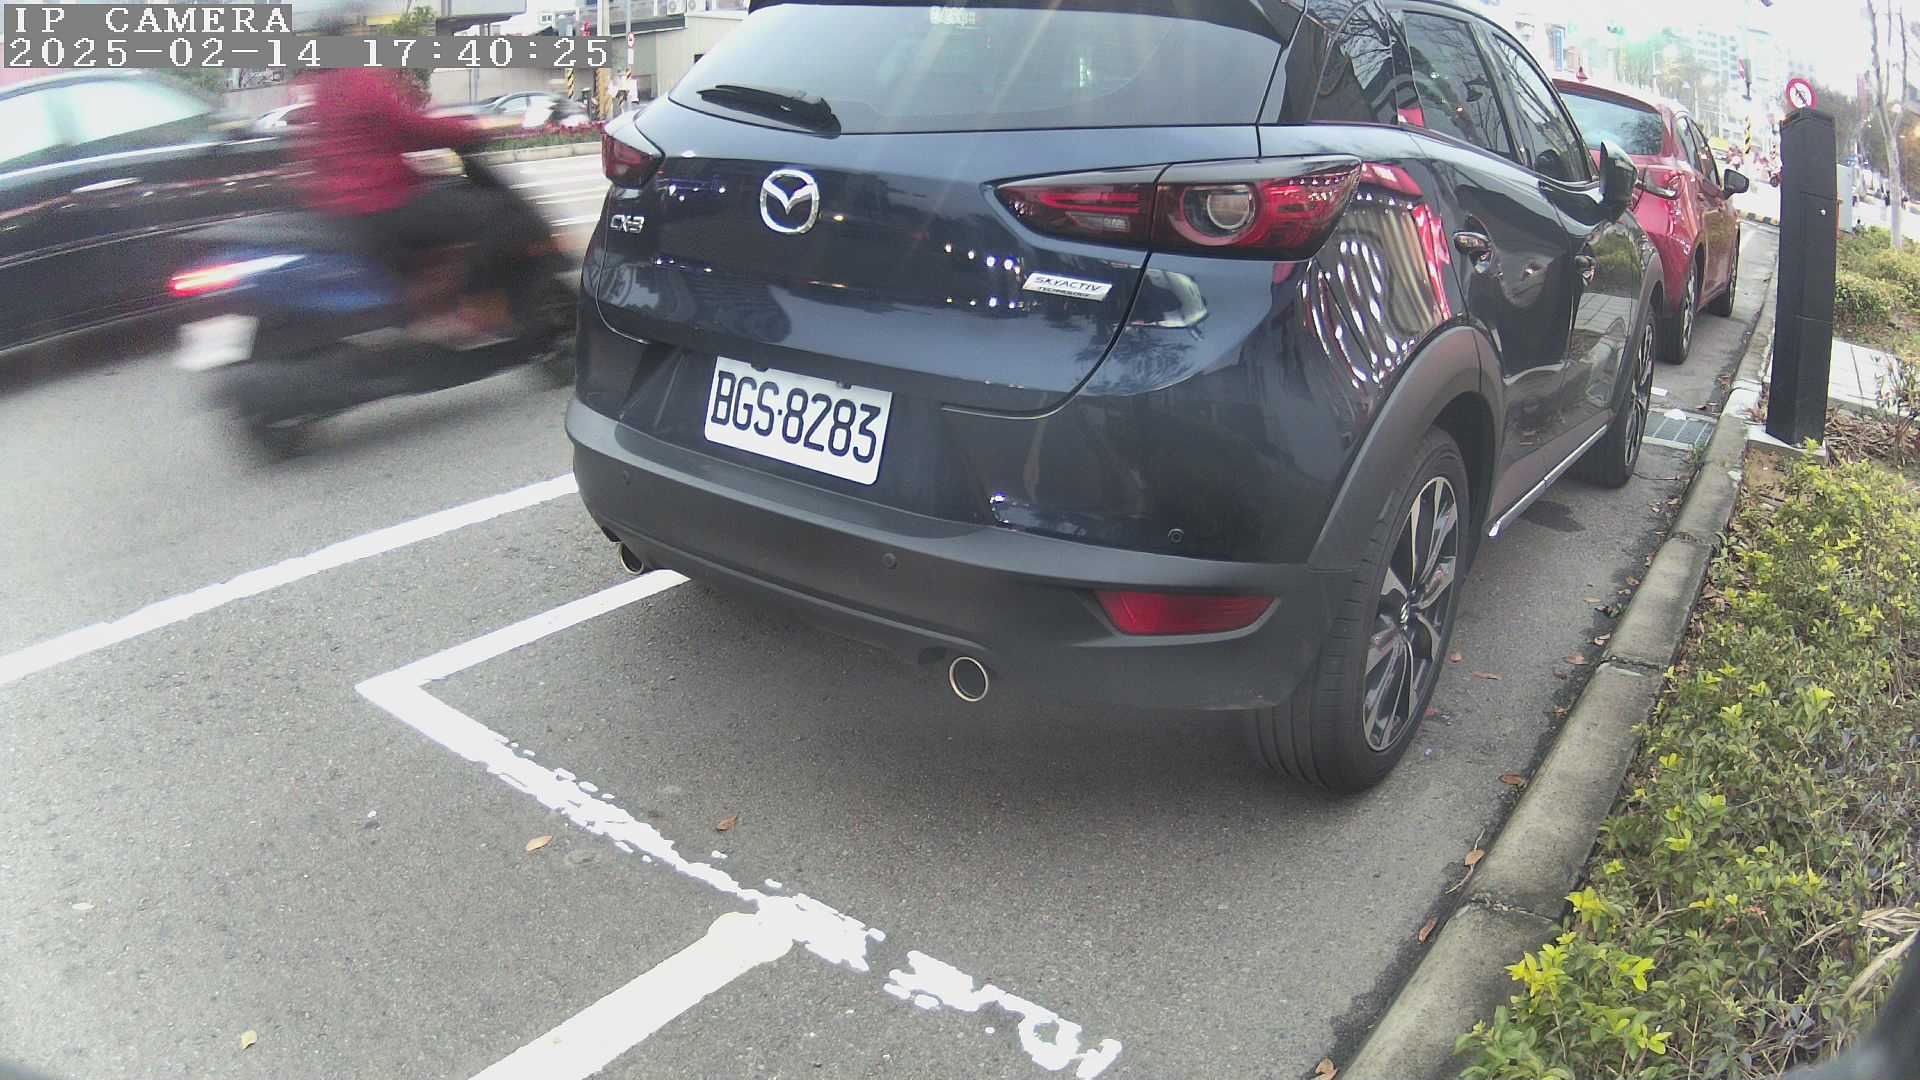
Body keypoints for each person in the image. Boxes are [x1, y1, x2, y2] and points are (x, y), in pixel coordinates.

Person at [303, 65, 519, 347]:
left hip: (350, 204)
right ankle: (472, 309)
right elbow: (408, 127)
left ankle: (440, 304)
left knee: (447, 203)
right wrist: (469, 130)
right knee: (495, 215)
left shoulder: (326, 87)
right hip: (381, 201)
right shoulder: (357, 81)